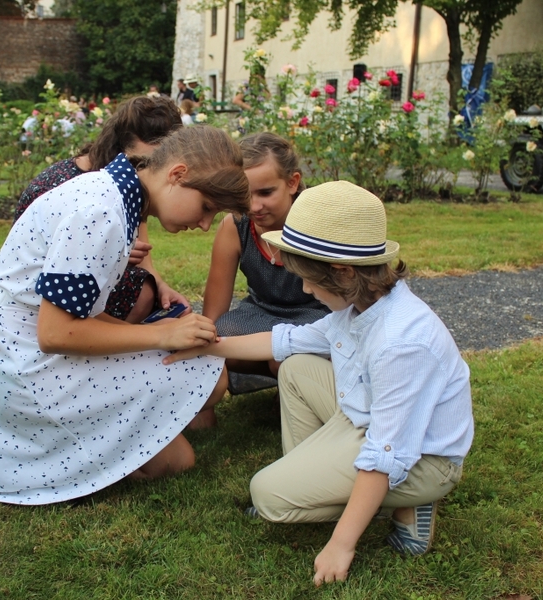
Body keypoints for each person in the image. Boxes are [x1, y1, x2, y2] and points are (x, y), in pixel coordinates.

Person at [165, 181, 474, 586]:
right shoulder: (364, 304)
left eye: (309, 280)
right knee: (295, 367)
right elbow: (286, 339)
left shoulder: (400, 342)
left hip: (421, 460)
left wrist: (342, 544)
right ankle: (317, 482)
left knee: (268, 496)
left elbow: (385, 453)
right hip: (367, 419)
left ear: (343, 272)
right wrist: (208, 348)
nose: (306, 290)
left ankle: (413, 501)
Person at [0, 126, 251, 505]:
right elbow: (55, 334)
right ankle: (64, 449)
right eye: (207, 207)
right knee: (178, 454)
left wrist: (166, 328)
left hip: (18, 352)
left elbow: (81, 315)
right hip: (24, 370)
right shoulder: (101, 211)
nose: (203, 224)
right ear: (177, 175)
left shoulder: (112, 193)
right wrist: (161, 336)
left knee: (203, 381)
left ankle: (96, 445)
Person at [15, 95, 187, 325]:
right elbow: (54, 262)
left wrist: (161, 286)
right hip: (40, 296)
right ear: (120, 147)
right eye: (144, 163)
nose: (153, 171)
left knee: (146, 287)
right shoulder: (85, 195)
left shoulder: (132, 187)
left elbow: (144, 258)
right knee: (138, 293)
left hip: (81, 286)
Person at [201, 133, 329, 412]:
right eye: (246, 194)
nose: (254, 206)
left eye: (266, 192)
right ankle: (286, 380)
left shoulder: (317, 223)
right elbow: (212, 315)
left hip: (315, 316)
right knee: (219, 335)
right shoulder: (236, 226)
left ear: (292, 183)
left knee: (286, 356)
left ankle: (298, 381)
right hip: (262, 312)